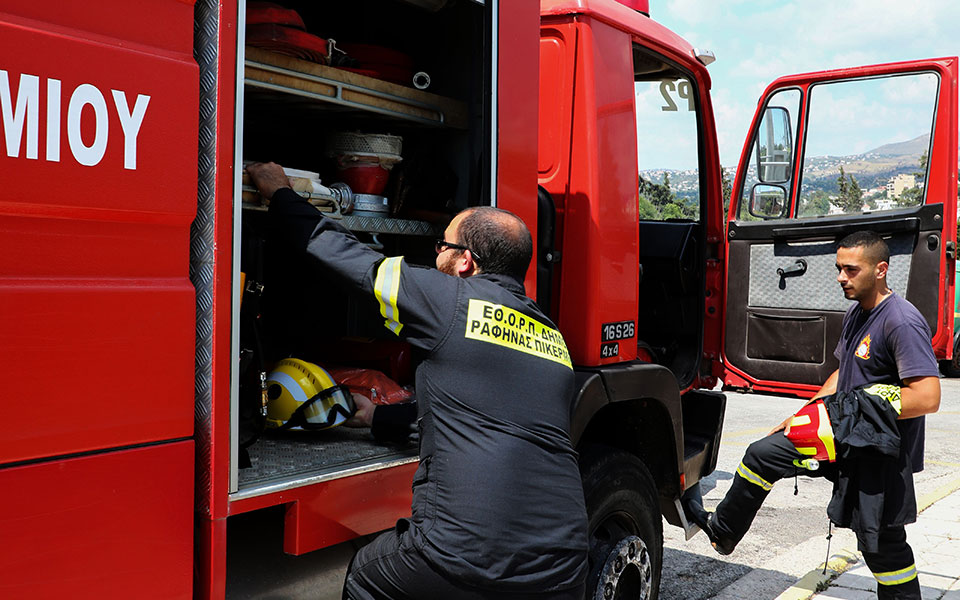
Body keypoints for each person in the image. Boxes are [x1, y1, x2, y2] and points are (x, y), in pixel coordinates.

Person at [246, 162, 588, 600]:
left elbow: (344, 254)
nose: (435, 255)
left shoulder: (449, 299)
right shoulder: (552, 338)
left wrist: (280, 194)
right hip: (564, 567)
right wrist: (377, 420)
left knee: (368, 575)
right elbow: (479, 419)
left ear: (465, 261)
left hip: (466, 557)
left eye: (442, 245)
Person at [685, 230, 940, 600]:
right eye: (839, 268)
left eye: (851, 270)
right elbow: (841, 373)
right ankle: (723, 532)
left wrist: (868, 402)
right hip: (842, 434)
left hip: (879, 451)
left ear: (881, 270)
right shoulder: (858, 312)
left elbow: (928, 396)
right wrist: (807, 413)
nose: (841, 277)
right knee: (763, 453)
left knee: (881, 544)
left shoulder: (900, 321)